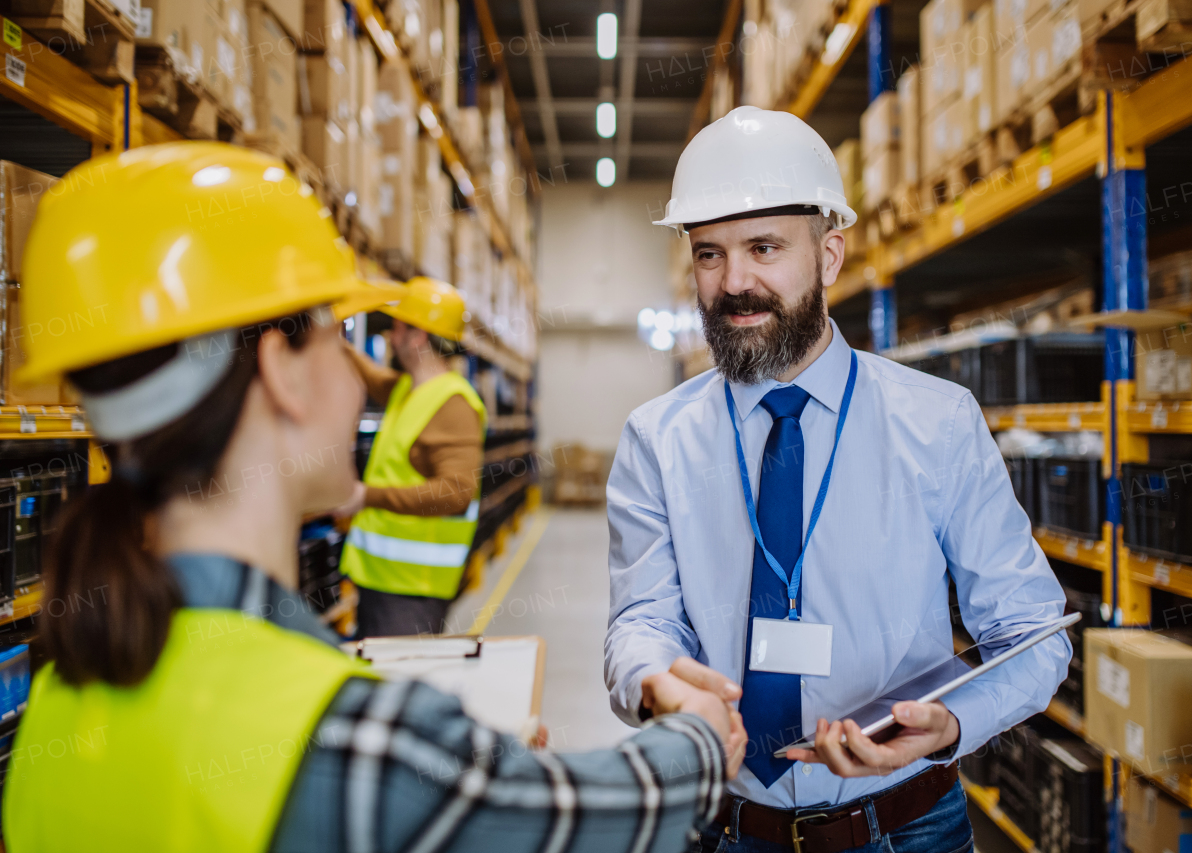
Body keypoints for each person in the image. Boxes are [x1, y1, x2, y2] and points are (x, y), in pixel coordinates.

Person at [2, 142, 746, 853]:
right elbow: (592, 817)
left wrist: (453, 790)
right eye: (337, 336)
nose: (360, 375)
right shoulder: (356, 739)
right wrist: (701, 739)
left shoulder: (54, 714)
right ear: (283, 373)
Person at [605, 106, 1071, 853]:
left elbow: (1033, 634)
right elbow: (642, 619)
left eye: (764, 248)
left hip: (905, 825)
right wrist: (653, 680)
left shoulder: (938, 422)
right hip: (725, 827)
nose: (734, 283)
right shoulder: (656, 439)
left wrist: (951, 723)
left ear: (828, 256)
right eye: (709, 254)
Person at [336, 276, 487, 637]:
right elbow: (372, 376)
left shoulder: (452, 404)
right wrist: (335, 342)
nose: (391, 335)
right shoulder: (408, 389)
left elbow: (457, 492)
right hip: (382, 580)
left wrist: (365, 497)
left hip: (413, 590)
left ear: (419, 335)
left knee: (397, 678)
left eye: (398, 327)